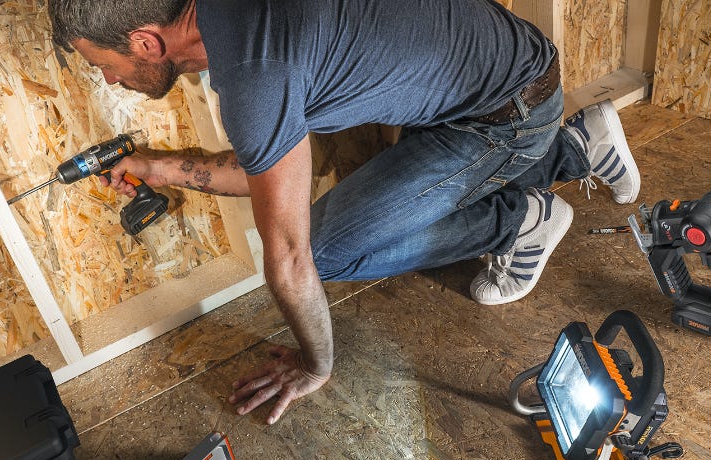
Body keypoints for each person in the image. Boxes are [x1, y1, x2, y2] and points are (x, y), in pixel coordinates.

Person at [47, 0, 641, 424]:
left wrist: (315, 365)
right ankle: (577, 146)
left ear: (148, 42)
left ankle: (520, 219)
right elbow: (268, 159)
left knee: (328, 249)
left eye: (101, 62)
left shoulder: (254, 75)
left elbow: (290, 258)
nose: (106, 77)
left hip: (503, 115)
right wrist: (158, 167)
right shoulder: (242, 29)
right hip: (509, 58)